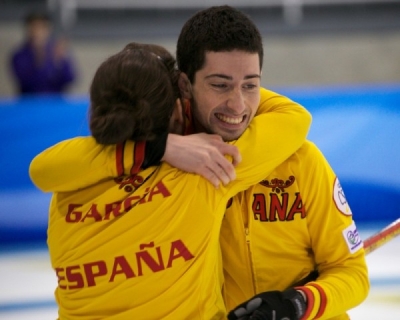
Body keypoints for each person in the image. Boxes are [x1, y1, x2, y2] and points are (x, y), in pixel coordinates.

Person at [29, 42, 311, 319]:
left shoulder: (68, 187)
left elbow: (41, 169)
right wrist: (225, 85)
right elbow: (294, 117)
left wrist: (155, 147)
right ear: (177, 110)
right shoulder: (206, 172)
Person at [174, 6, 369, 320]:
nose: (238, 105)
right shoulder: (166, 173)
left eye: (250, 85)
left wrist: (296, 303)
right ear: (185, 85)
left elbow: (353, 276)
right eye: (220, 85)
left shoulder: (302, 161)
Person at [9, 11, 76, 95]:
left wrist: (59, 62)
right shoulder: (19, 55)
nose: (38, 31)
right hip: (29, 103)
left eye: (42, 27)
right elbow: (27, 82)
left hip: (56, 102)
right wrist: (39, 55)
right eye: (34, 27)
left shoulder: (57, 51)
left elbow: (70, 78)